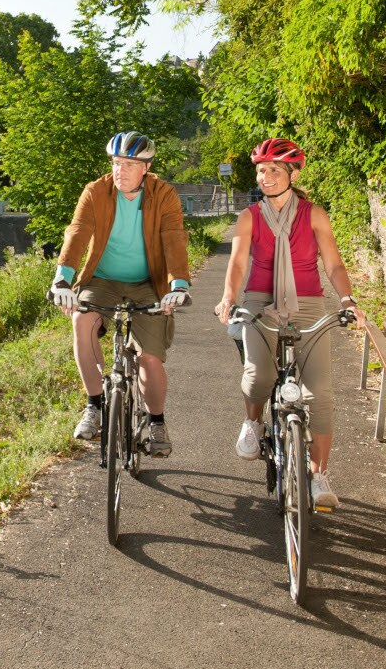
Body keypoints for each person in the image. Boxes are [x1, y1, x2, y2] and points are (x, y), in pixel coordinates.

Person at [214, 138, 368, 509]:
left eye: (273, 171)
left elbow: (332, 264)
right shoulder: (249, 216)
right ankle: (253, 423)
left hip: (308, 303)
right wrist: (228, 298)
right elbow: (237, 263)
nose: (264, 178)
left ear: (293, 174)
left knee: (321, 395)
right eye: (260, 171)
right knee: (258, 376)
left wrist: (347, 300)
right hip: (259, 301)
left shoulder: (314, 214)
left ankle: (318, 475)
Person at [47, 132, 191, 453]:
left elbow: (173, 240)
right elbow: (77, 232)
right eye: (115, 163)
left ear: (146, 167)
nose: (120, 171)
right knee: (81, 320)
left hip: (148, 281)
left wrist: (178, 285)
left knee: (150, 358)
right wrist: (62, 279)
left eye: (129, 164)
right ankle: (94, 405)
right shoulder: (96, 192)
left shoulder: (164, 194)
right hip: (103, 279)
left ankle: (156, 422)